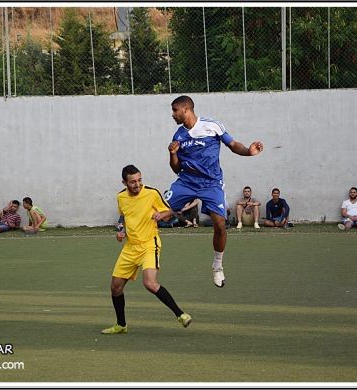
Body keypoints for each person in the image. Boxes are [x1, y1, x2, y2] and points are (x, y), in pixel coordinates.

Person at [166, 95, 263, 288]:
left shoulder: (212, 125)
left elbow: (233, 144)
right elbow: (176, 169)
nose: (172, 114)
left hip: (211, 183)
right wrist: (173, 154)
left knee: (220, 224)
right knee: (160, 210)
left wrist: (248, 152)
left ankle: (217, 265)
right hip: (187, 182)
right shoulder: (178, 136)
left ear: (186, 109)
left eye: (175, 110)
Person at [101, 165, 192, 334]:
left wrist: (162, 215)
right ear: (124, 182)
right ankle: (121, 325)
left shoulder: (151, 193)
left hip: (150, 243)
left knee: (150, 283)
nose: (137, 184)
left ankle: (181, 315)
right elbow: (123, 217)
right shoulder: (121, 197)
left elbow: (171, 211)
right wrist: (121, 231)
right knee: (115, 287)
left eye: (139, 180)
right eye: (133, 182)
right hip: (130, 247)